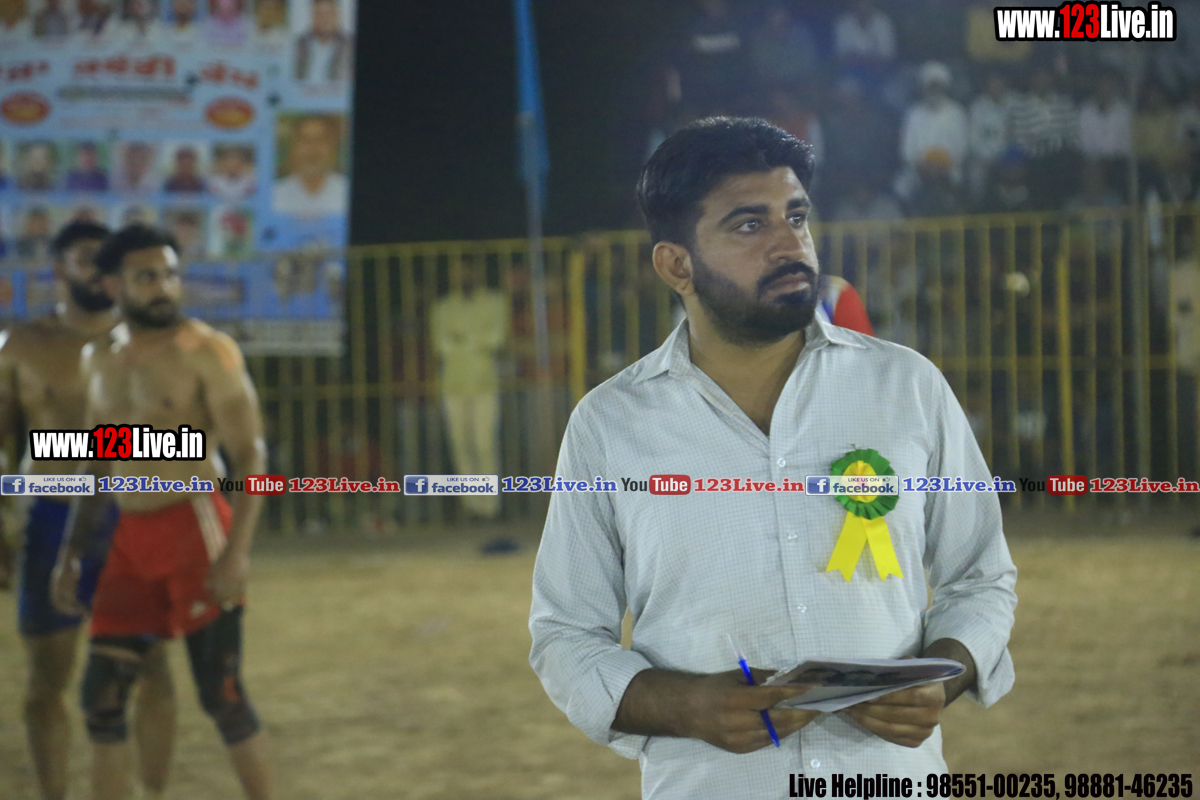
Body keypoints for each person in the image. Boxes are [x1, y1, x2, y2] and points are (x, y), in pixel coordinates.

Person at [529, 118, 1017, 797]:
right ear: (676, 265)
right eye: (749, 225)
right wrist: (687, 707)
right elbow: (566, 633)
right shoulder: (611, 425)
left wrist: (947, 674)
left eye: (796, 217)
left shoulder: (906, 387)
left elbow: (980, 579)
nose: (790, 244)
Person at [51, 223, 274, 800]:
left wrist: (237, 553)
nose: (163, 287)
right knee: (101, 697)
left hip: (194, 527)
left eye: (170, 274)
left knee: (221, 692)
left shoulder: (207, 351)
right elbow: (98, 458)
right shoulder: (98, 357)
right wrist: (73, 551)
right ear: (112, 285)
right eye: (147, 277)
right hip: (127, 537)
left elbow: (251, 453)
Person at [0, 221, 177, 800]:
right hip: (51, 517)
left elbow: (184, 439)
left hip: (132, 517)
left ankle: (152, 793)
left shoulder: (151, 346)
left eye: (106, 262)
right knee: (47, 677)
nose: (99, 272)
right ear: (59, 269)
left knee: (151, 668)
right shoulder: (22, 345)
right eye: (85, 260)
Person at [431, 256, 510, 520]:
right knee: (460, 445)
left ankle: (490, 506)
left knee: (484, 443)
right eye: (457, 271)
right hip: (452, 384)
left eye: (465, 270)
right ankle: (473, 506)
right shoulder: (443, 306)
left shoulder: (494, 301)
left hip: (484, 383)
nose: (462, 276)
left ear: (476, 272)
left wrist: (461, 339)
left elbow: (496, 338)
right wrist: (476, 341)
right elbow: (441, 344)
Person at [895, 62, 967, 201]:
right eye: (930, 86)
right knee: (901, 188)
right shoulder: (913, 113)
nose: (934, 90)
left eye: (937, 86)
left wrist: (942, 165)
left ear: (944, 87)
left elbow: (961, 148)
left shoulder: (956, 112)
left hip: (948, 169)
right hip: (919, 169)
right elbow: (906, 150)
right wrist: (923, 165)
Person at [271, 114, 348, 216]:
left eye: (320, 140)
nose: (312, 148)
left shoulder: (346, 189)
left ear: (332, 147)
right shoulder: (275, 194)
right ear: (293, 147)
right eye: (305, 140)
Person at [293, 0, 353, 83]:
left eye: (328, 14)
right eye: (319, 14)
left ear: (337, 15)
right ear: (312, 16)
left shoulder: (350, 44)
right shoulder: (299, 44)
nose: (324, 19)